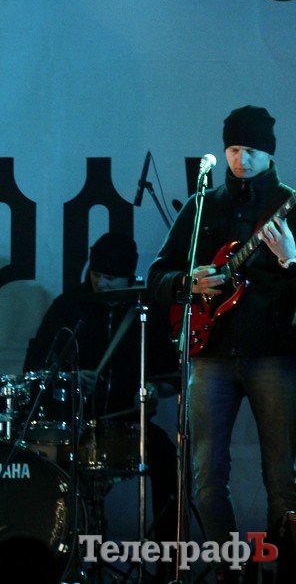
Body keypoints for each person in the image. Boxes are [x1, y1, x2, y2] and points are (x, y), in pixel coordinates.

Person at [148, 105, 296, 583]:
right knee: (206, 478)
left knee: (283, 480)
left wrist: (291, 260)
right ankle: (230, 570)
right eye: (233, 149)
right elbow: (156, 275)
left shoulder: (289, 204)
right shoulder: (202, 207)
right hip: (209, 355)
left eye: (250, 150)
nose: (240, 160)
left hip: (273, 353)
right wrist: (184, 283)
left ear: (269, 154)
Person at [24, 232, 179, 558]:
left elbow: (173, 375)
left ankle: (169, 559)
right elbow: (34, 367)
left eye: (110, 278)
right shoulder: (68, 307)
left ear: (128, 277)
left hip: (129, 425)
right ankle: (57, 554)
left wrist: (153, 389)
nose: (101, 284)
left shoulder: (146, 311)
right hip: (73, 424)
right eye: (96, 275)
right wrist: (70, 378)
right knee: (41, 465)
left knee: (166, 455)